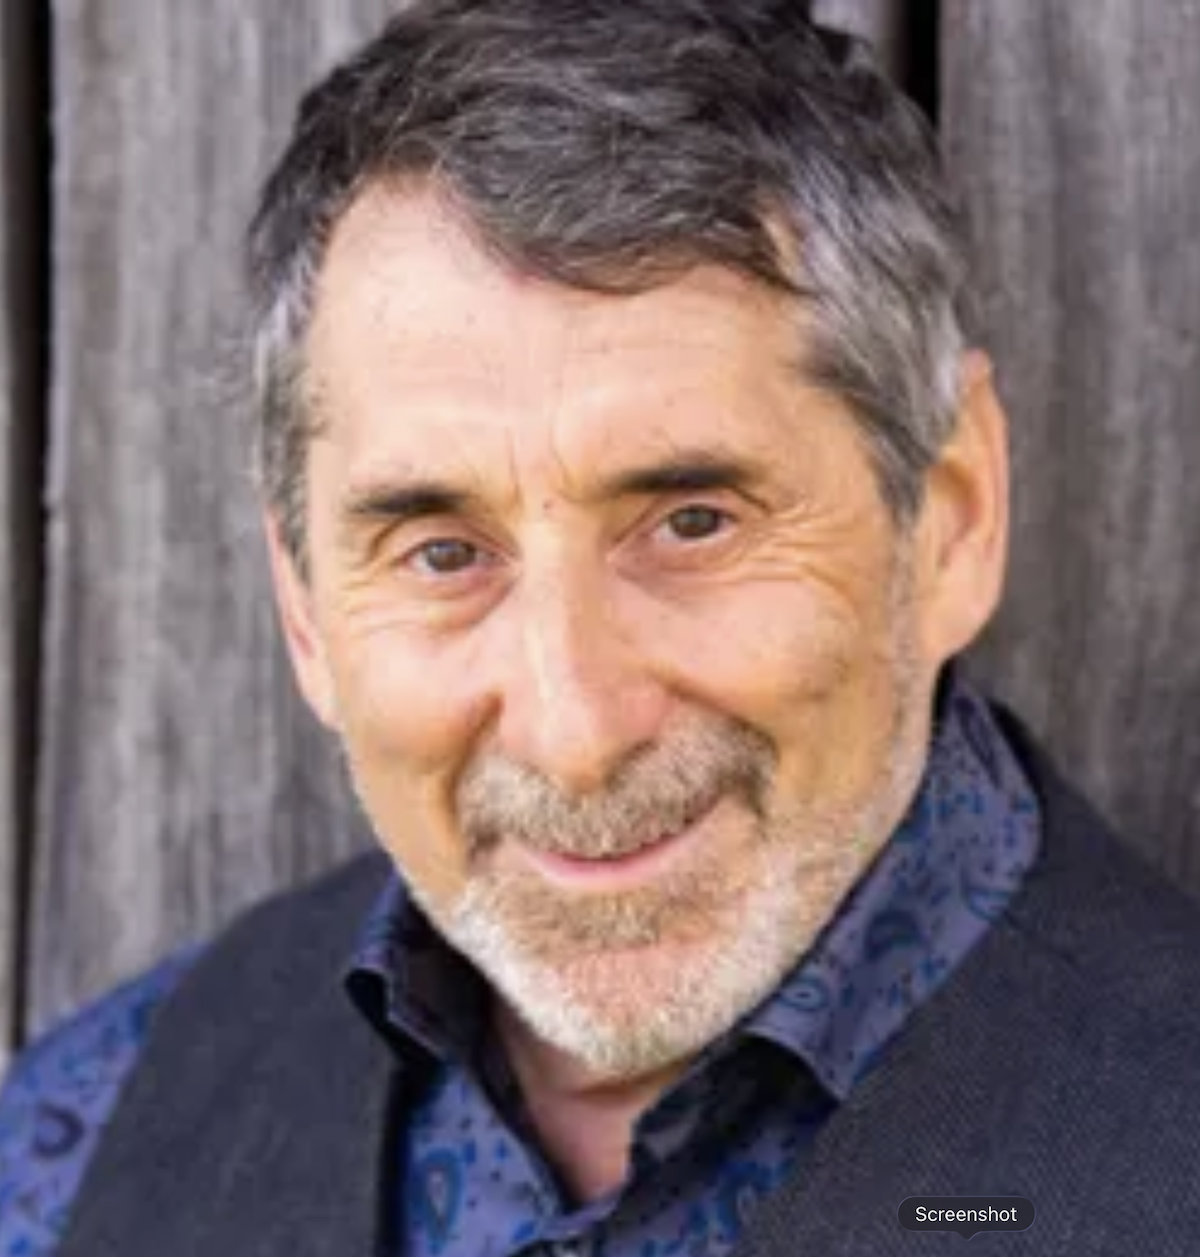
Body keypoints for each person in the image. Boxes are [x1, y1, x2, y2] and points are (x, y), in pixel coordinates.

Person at [3, 2, 1200, 1254]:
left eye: (692, 524)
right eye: (444, 554)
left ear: (951, 520)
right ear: (304, 606)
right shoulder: (72, 1151)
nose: (575, 735)